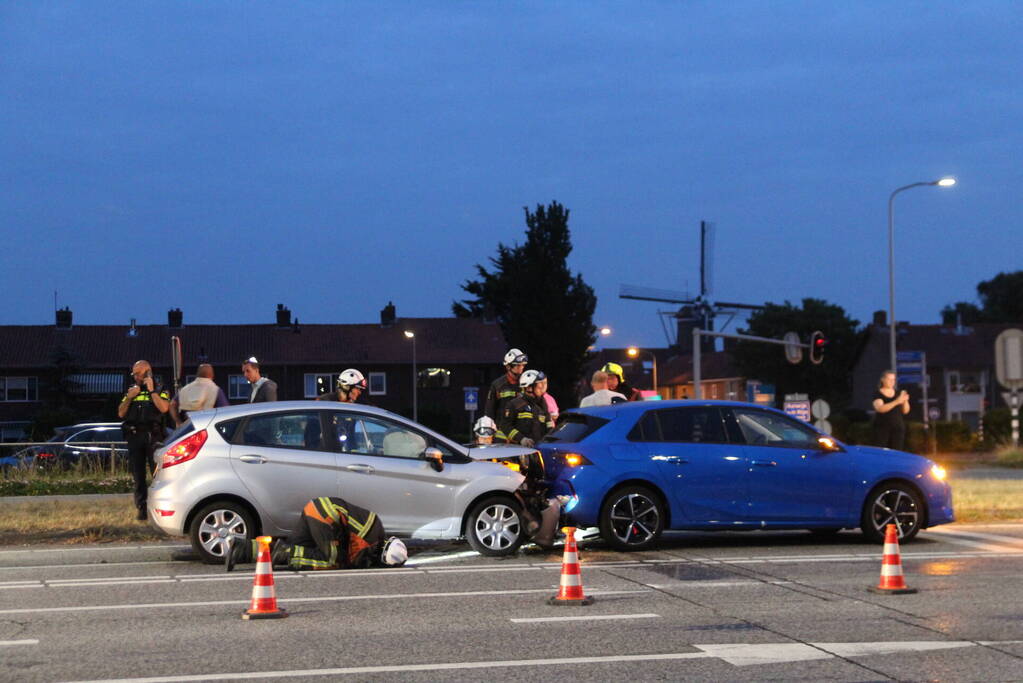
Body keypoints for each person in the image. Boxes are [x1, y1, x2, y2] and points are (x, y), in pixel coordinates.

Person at [227, 496, 407, 572]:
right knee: (331, 561)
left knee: (298, 545)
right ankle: (286, 554)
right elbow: (351, 560)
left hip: (315, 510)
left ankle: (240, 549)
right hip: (325, 519)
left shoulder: (377, 526)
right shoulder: (370, 542)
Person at [117, 360, 170, 521]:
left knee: (158, 475)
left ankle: (159, 509)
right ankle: (142, 509)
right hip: (134, 436)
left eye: (138, 373)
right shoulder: (132, 391)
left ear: (148, 372)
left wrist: (152, 391)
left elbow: (164, 408)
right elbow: (120, 413)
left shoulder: (160, 389)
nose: (135, 376)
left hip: (153, 437)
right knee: (138, 476)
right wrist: (129, 398)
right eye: (134, 373)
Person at [501, 369, 552, 448]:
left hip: (539, 449)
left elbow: (548, 424)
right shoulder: (514, 404)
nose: (542, 388)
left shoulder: (542, 403)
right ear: (529, 388)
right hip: (519, 449)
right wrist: (521, 439)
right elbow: (505, 426)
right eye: (538, 385)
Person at [484, 348, 528, 438]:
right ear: (508, 366)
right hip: (502, 437)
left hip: (522, 435)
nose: (521, 368)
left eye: (523, 365)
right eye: (518, 365)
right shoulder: (497, 385)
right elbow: (489, 412)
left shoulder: (527, 383)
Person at [873, 370, 910, 449]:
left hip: (898, 428)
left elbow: (905, 411)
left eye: (893, 379)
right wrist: (897, 401)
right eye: (889, 379)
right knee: (882, 452)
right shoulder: (877, 393)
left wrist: (905, 401)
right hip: (882, 429)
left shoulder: (898, 393)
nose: (892, 382)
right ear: (883, 380)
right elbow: (880, 408)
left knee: (897, 452)